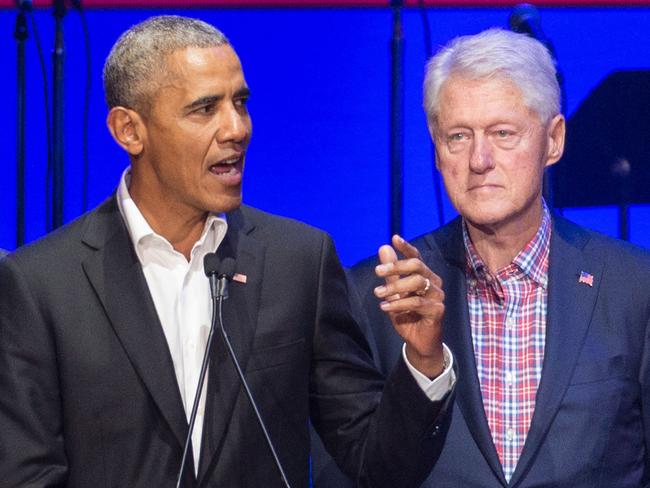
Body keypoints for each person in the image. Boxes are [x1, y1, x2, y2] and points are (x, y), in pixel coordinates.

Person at [0, 16, 456, 488]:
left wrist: (423, 361)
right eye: (204, 109)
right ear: (129, 131)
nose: (236, 129)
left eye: (240, 103)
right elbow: (25, 475)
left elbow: (376, 464)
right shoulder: (41, 285)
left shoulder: (298, 261)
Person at [341, 28, 650, 487]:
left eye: (503, 133)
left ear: (554, 140)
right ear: (436, 147)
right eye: (458, 137)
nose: (479, 159)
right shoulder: (374, 295)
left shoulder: (634, 286)